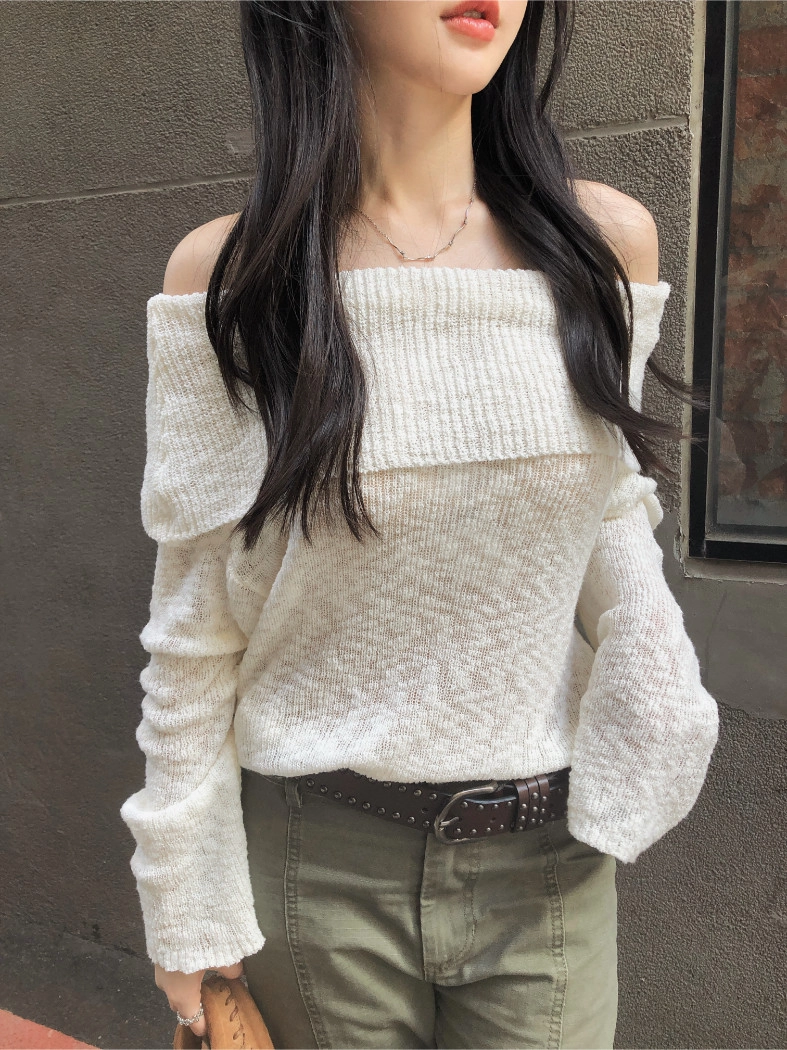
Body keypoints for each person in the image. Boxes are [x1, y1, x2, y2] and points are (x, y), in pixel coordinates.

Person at [119, 2, 720, 1047]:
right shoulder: (231, 280)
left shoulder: (602, 247)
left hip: (548, 858)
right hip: (315, 866)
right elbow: (196, 623)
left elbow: (606, 497)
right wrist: (184, 899)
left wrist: (657, 679)